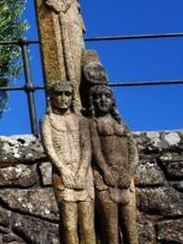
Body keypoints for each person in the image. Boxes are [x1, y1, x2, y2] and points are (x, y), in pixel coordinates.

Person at [41, 80, 95, 244]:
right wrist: (64, 170)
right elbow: (49, 148)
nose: (63, 98)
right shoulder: (47, 120)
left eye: (67, 94)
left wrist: (81, 171)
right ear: (51, 97)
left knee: (87, 226)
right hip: (63, 175)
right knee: (69, 225)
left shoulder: (82, 121)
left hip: (84, 175)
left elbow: (87, 149)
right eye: (59, 93)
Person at [89, 83, 139, 244]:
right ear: (92, 101)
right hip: (105, 180)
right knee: (110, 232)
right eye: (97, 97)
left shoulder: (123, 124)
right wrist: (105, 171)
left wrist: (129, 172)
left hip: (126, 180)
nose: (102, 100)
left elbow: (134, 151)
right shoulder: (93, 124)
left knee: (131, 230)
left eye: (107, 96)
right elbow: (96, 151)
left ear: (113, 100)